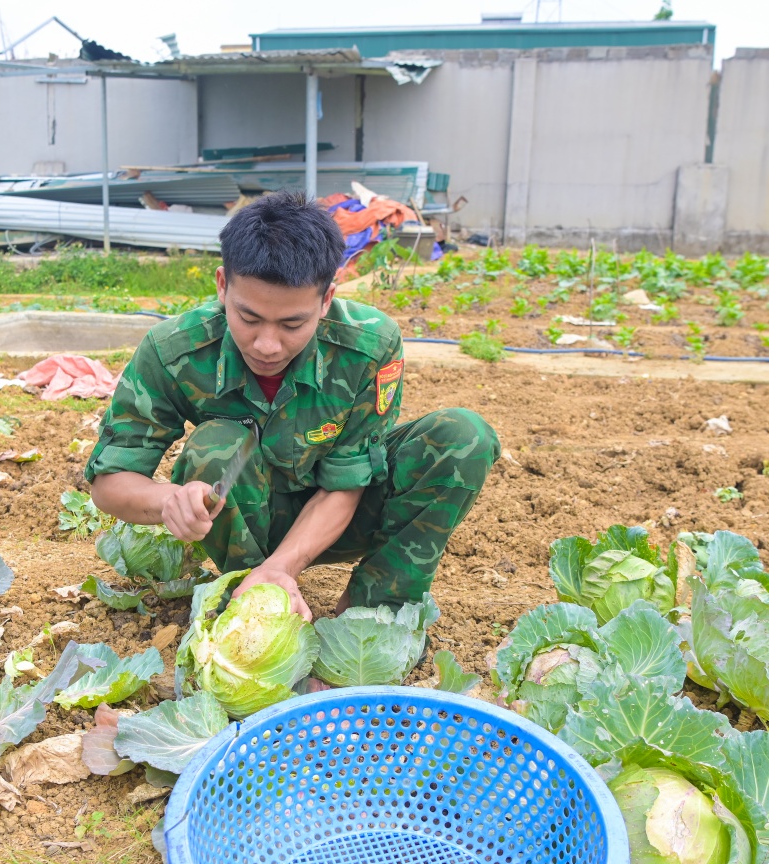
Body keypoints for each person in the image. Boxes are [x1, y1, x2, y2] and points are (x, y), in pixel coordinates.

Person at [86, 190, 499, 619]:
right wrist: (169, 499)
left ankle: (371, 613)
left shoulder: (368, 346)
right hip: (242, 518)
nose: (267, 345)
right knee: (219, 444)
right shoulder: (175, 351)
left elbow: (347, 482)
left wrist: (284, 564)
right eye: (248, 318)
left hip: (340, 516)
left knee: (464, 436)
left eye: (292, 324)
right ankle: (254, 608)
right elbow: (110, 481)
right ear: (222, 286)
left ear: (326, 300)